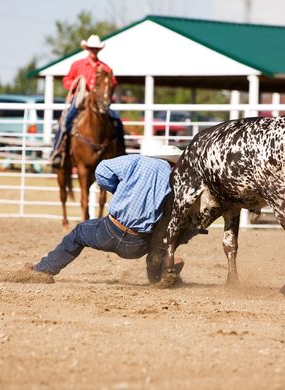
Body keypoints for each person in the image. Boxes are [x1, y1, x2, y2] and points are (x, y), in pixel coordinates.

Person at [23, 145, 185, 281]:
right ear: (174, 163)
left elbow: (102, 170)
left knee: (78, 234)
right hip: (138, 244)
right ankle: (162, 272)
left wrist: (119, 190)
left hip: (109, 231)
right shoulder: (176, 179)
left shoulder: (137, 160)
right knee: (162, 239)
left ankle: (43, 271)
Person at [51, 34, 125, 167]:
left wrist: (106, 94)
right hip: (80, 100)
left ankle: (121, 153)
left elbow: (113, 84)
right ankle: (58, 151)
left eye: (96, 48)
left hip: (99, 102)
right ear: (87, 48)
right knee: (67, 120)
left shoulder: (105, 68)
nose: (93, 51)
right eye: (91, 48)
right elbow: (66, 80)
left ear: (99, 50)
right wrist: (76, 83)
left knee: (117, 122)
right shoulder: (78, 65)